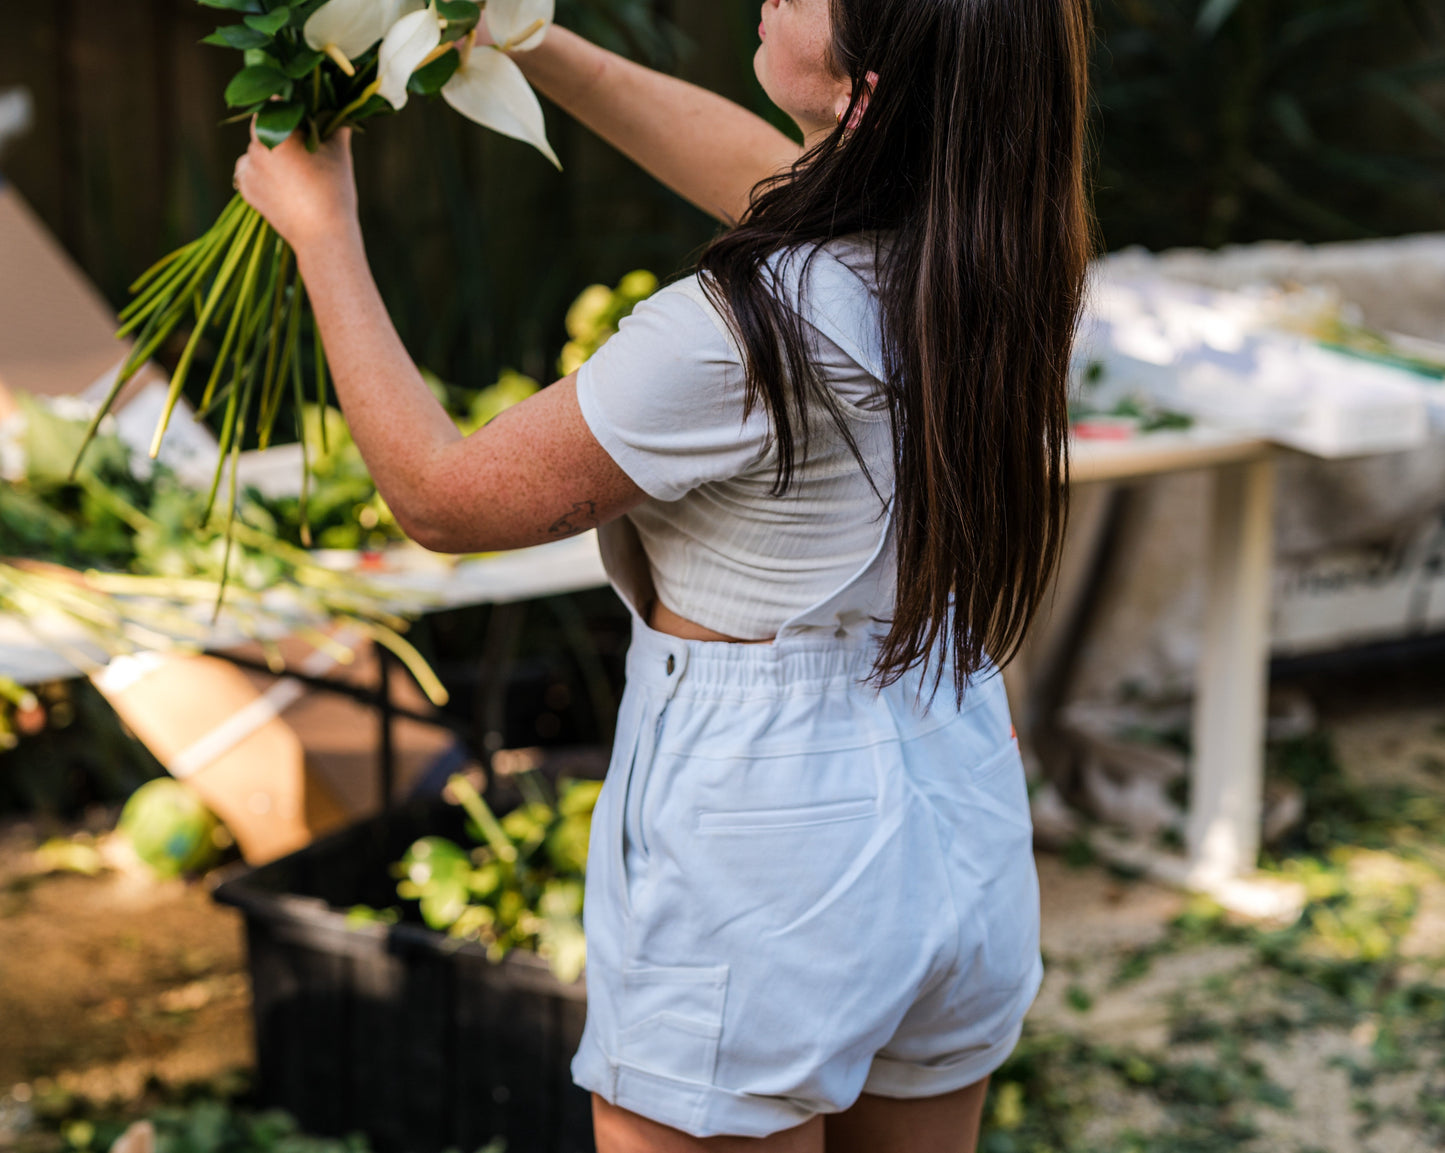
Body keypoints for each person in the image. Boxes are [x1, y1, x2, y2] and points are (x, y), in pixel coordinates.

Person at [234, 0, 1092, 1148]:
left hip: (773, 836)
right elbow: (762, 172)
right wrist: (520, 38)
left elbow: (442, 499)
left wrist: (322, 231)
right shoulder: (1007, 252)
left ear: (867, 94)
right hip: (956, 776)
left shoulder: (741, 332)